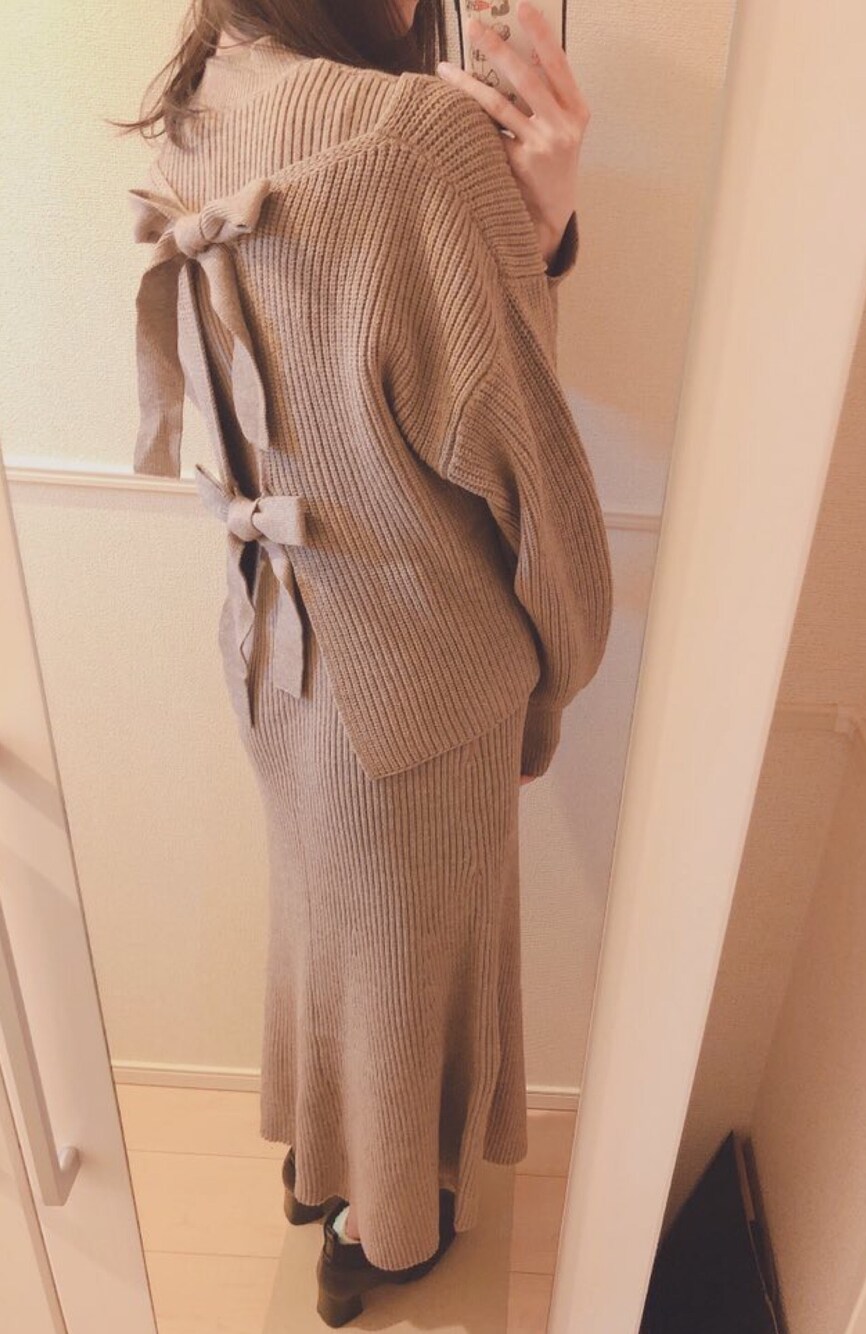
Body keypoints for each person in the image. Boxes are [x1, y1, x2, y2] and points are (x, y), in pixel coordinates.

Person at [114, 0, 612, 1324]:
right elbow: (526, 461)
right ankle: (389, 1225)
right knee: (407, 958)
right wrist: (559, 673)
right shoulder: (412, 139)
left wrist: (533, 226)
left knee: (328, 919)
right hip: (417, 667)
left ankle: (322, 1158)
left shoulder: (202, 101)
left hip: (270, 638)